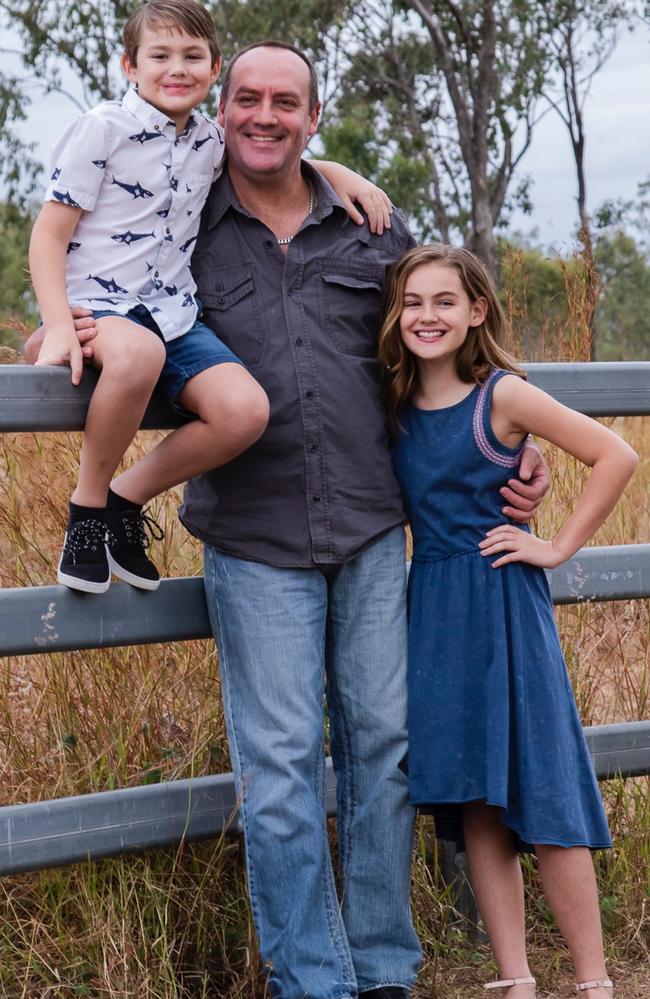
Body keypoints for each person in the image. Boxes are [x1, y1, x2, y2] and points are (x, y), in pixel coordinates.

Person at [27, 41, 549, 999]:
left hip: (369, 526)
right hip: (255, 535)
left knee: (385, 753)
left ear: (314, 115)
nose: (265, 116)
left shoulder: (369, 229)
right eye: (249, 100)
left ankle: (385, 969)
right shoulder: (180, 218)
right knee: (278, 772)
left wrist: (517, 442)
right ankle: (313, 980)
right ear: (222, 108)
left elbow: (444, 347)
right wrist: (74, 327)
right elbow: (85, 274)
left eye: (288, 103)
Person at [30, 0, 391, 596]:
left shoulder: (205, 137)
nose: (177, 68)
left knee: (245, 410)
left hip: (174, 313)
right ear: (130, 65)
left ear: (213, 67)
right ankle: (87, 513)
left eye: (193, 56)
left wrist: (340, 173)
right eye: (160, 55)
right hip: (104, 307)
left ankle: (126, 500)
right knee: (140, 355)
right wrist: (57, 325)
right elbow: (49, 234)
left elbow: (274, 156)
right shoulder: (102, 129)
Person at [382, 245, 638, 999]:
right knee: (475, 796)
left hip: (502, 599)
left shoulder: (503, 396)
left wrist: (554, 545)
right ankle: (515, 978)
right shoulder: (392, 406)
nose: (427, 316)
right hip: (431, 608)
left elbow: (615, 453)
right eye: (413, 302)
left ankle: (593, 981)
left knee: (544, 787)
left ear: (476, 311)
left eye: (444, 302)